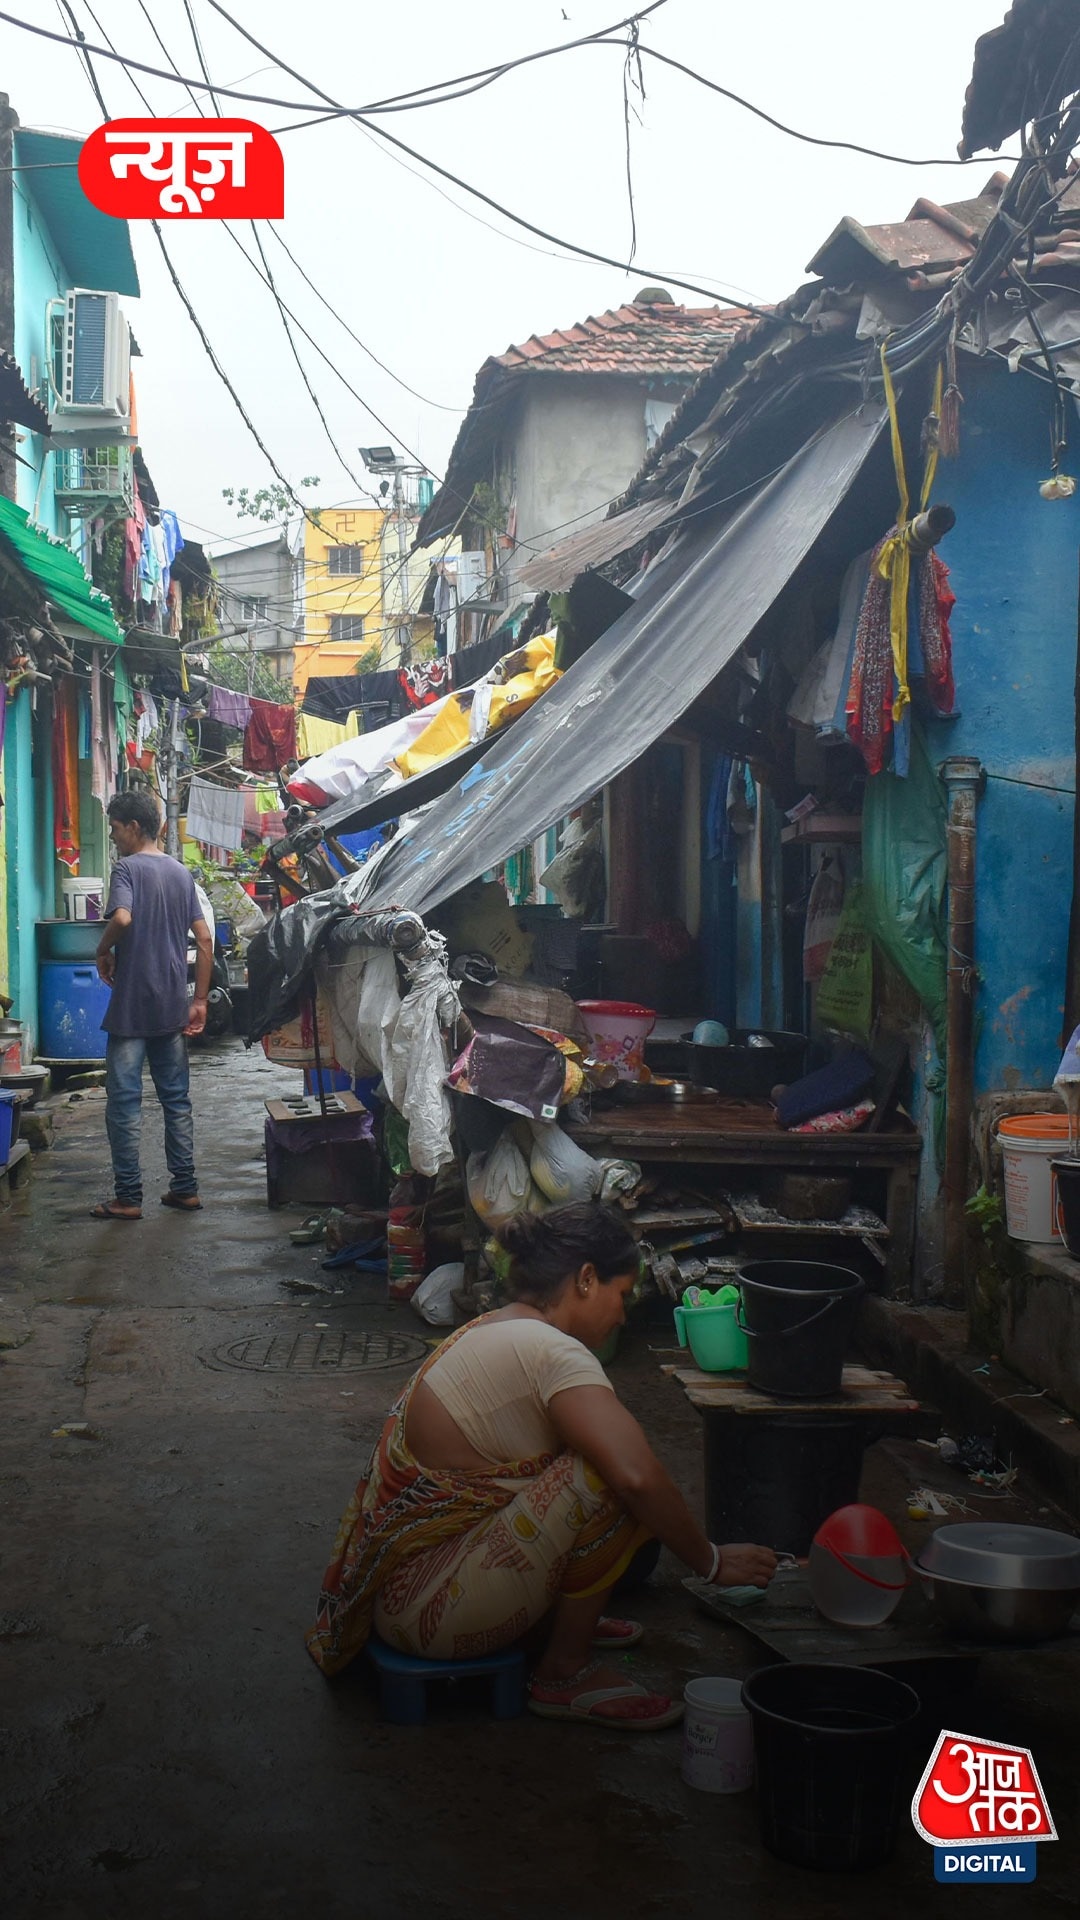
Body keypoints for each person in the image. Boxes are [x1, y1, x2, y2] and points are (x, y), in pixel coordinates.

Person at [306, 1202, 777, 1730]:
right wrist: (710, 1561)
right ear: (586, 1278)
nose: (623, 1315)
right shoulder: (552, 1353)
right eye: (622, 1296)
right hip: (428, 1616)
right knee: (609, 1475)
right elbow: (637, 1476)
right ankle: (564, 1672)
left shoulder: (494, 1327)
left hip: (404, 1595)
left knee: (604, 1464)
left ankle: (556, 1624)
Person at [90, 790, 213, 1221]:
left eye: (115, 828)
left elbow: (122, 918)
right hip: (170, 1006)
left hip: (131, 1009)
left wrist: (101, 950)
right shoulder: (181, 874)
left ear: (134, 827)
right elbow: (204, 938)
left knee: (124, 1104)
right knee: (176, 1100)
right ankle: (185, 1188)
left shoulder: (126, 869)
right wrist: (199, 999)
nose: (112, 836)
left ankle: (128, 1197)